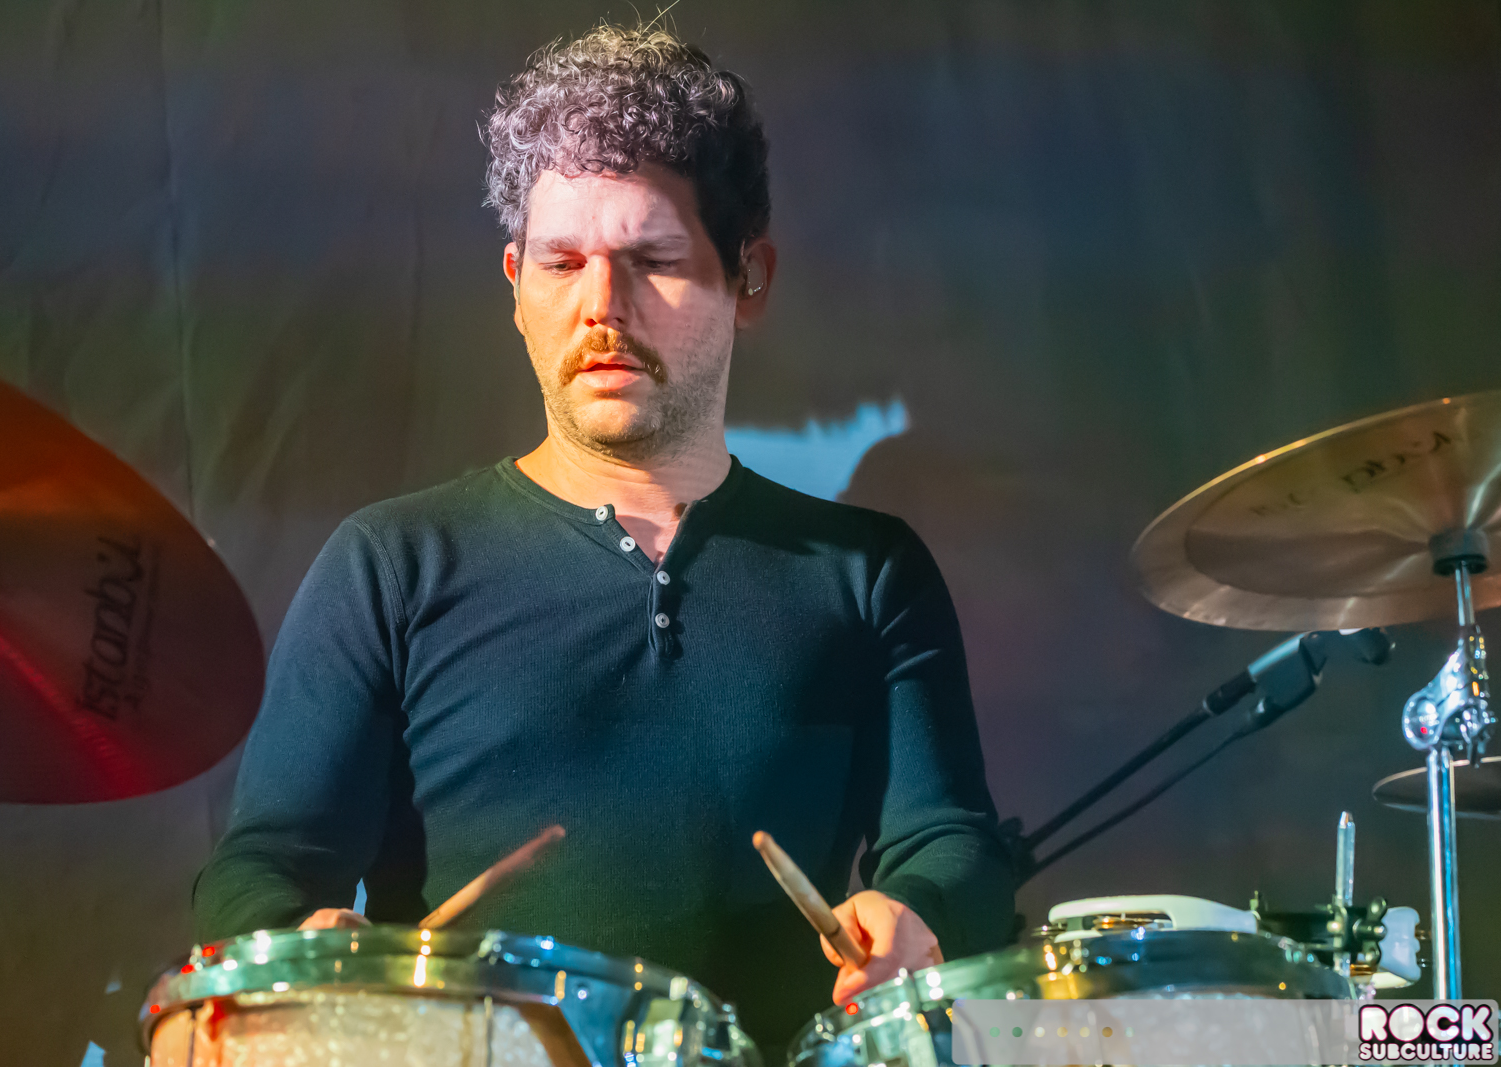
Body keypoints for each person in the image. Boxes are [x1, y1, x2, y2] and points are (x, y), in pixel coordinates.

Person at [193, 22, 1013, 1050]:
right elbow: (262, 863)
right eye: (561, 262)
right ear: (516, 285)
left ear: (748, 278)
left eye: (652, 260)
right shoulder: (391, 565)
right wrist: (296, 938)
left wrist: (921, 913)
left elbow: (951, 843)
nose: (601, 308)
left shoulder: (868, 573)